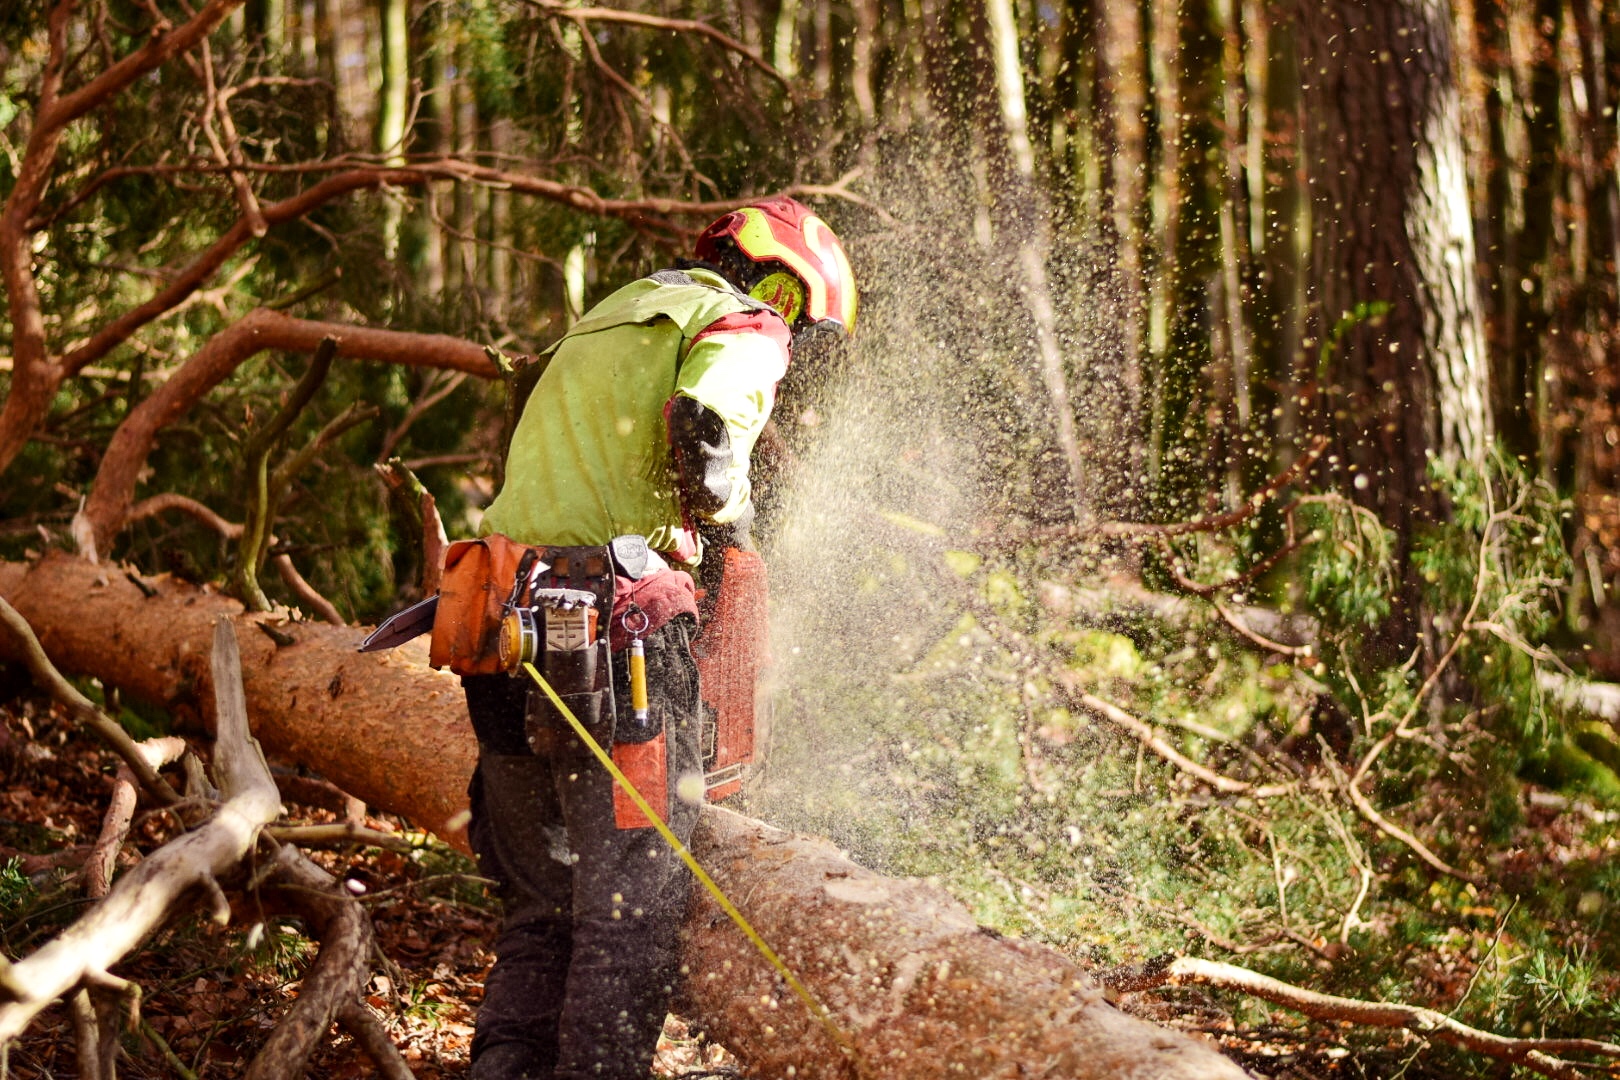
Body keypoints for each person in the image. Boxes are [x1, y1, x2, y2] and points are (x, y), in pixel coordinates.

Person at [461, 197, 857, 1080]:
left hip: (494, 629)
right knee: (628, 917)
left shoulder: (609, 317)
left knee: (542, 914)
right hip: (611, 643)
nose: (791, 335)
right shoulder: (746, 323)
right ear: (788, 293)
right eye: (799, 317)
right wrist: (737, 528)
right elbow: (704, 432)